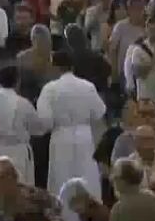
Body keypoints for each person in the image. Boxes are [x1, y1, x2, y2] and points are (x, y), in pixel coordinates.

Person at [38, 50, 106, 197]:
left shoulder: (50, 89)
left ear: (54, 67)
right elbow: (99, 112)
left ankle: (64, 216)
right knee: (87, 176)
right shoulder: (88, 86)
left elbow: (46, 121)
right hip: (84, 136)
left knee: (62, 178)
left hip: (61, 137)